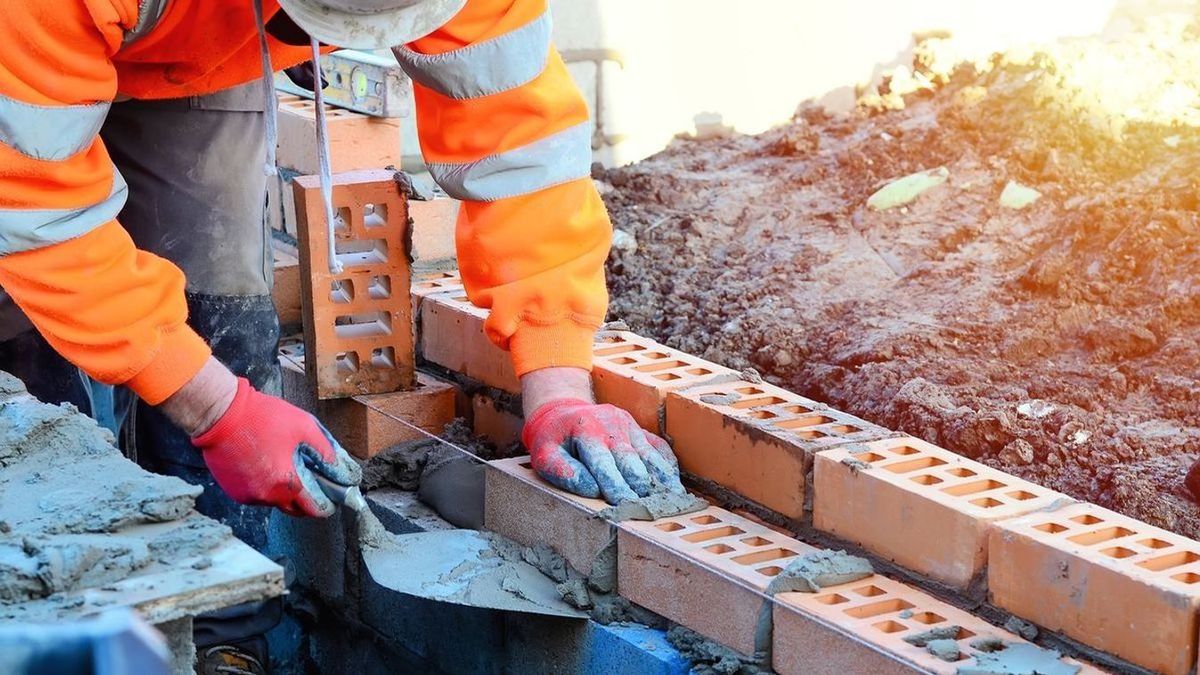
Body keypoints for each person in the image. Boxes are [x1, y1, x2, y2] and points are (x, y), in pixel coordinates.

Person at [0, 0, 685, 670]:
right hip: (27, 55)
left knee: (222, 308)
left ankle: (219, 640)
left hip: (195, 45)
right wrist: (214, 408)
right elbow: (32, 212)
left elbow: (521, 146)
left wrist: (558, 375)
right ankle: (58, 623)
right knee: (31, 361)